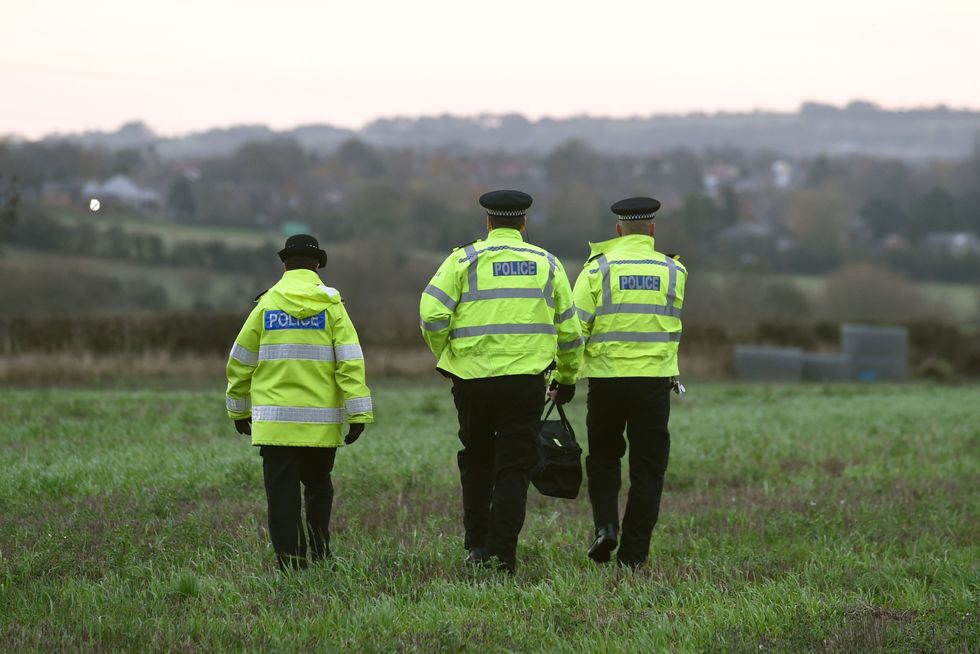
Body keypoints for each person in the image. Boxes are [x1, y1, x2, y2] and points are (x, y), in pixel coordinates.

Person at [419, 190, 583, 573]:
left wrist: (447, 357)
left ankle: (476, 546)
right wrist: (567, 376)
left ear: (488, 223)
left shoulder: (463, 260)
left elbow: (431, 315)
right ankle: (503, 555)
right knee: (514, 466)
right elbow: (570, 332)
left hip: (472, 380)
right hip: (525, 381)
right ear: (523, 223)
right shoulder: (547, 263)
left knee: (476, 460)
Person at [225, 234, 373, 572]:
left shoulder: (266, 305)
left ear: (284, 264)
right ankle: (321, 552)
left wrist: (238, 409)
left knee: (282, 497)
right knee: (319, 486)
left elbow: (239, 361)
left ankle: (291, 564)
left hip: (275, 424)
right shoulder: (333, 307)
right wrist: (358, 413)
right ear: (318, 265)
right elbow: (350, 362)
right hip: (321, 425)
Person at [571, 197, 687, 569]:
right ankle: (634, 556)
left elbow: (576, 330)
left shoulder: (596, 270)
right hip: (653, 383)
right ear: (652, 229)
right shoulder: (674, 271)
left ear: (618, 230)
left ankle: (606, 527)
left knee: (604, 459)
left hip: (606, 382)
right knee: (648, 469)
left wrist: (564, 376)